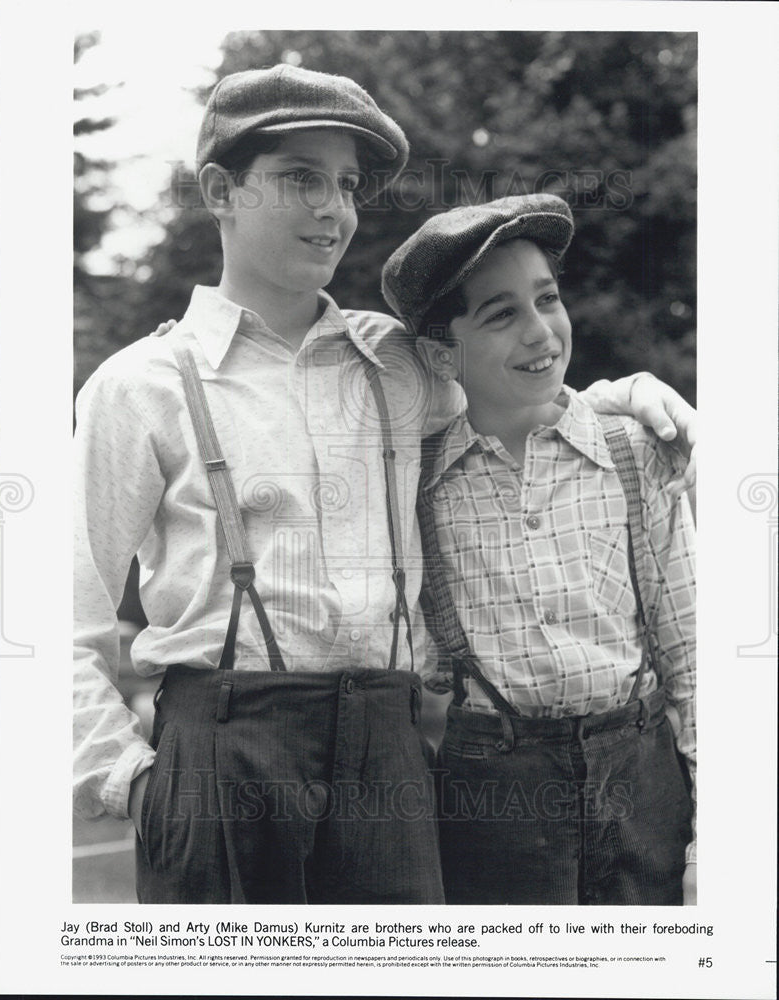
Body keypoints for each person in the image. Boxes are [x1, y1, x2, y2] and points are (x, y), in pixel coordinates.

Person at [74, 64, 697, 905]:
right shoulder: (138, 385)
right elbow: (56, 619)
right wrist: (131, 781)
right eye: (301, 178)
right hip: (222, 747)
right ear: (220, 190)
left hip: (388, 749)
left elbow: (525, 383)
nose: (334, 208)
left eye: (347, 184)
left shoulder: (398, 363)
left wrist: (628, 395)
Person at [381, 194, 696, 906]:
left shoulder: (634, 452)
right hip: (490, 794)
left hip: (642, 775)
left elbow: (695, 658)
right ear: (440, 352)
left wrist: (717, 832)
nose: (540, 331)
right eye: (501, 314)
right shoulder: (418, 483)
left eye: (547, 299)